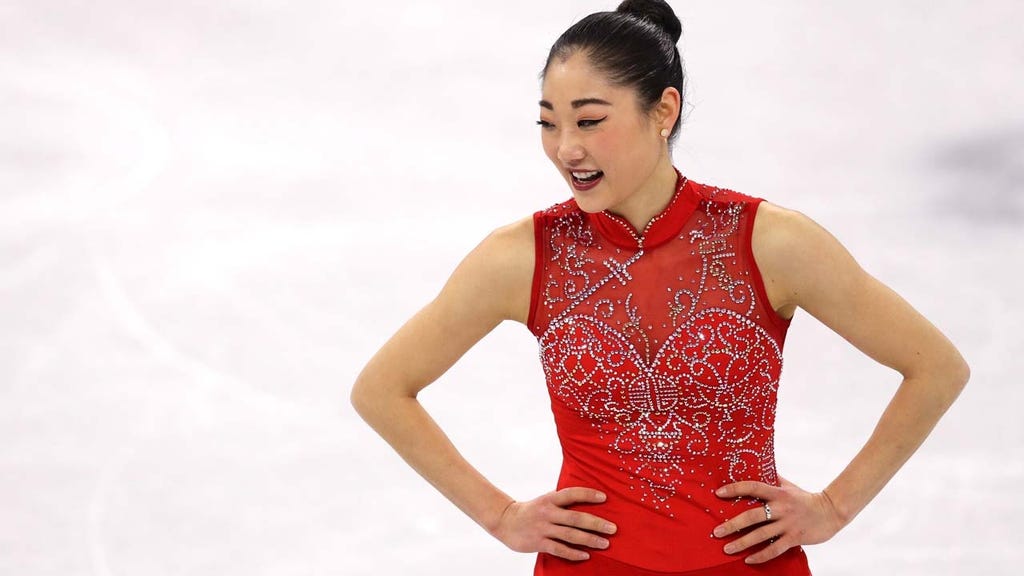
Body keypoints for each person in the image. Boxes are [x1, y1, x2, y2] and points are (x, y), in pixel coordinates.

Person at [349, 0, 970, 574]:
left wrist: (834, 507)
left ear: (663, 111)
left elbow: (935, 368)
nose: (566, 148)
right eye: (548, 122)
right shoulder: (523, 257)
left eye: (589, 120)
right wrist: (501, 515)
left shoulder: (766, 242)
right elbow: (382, 389)